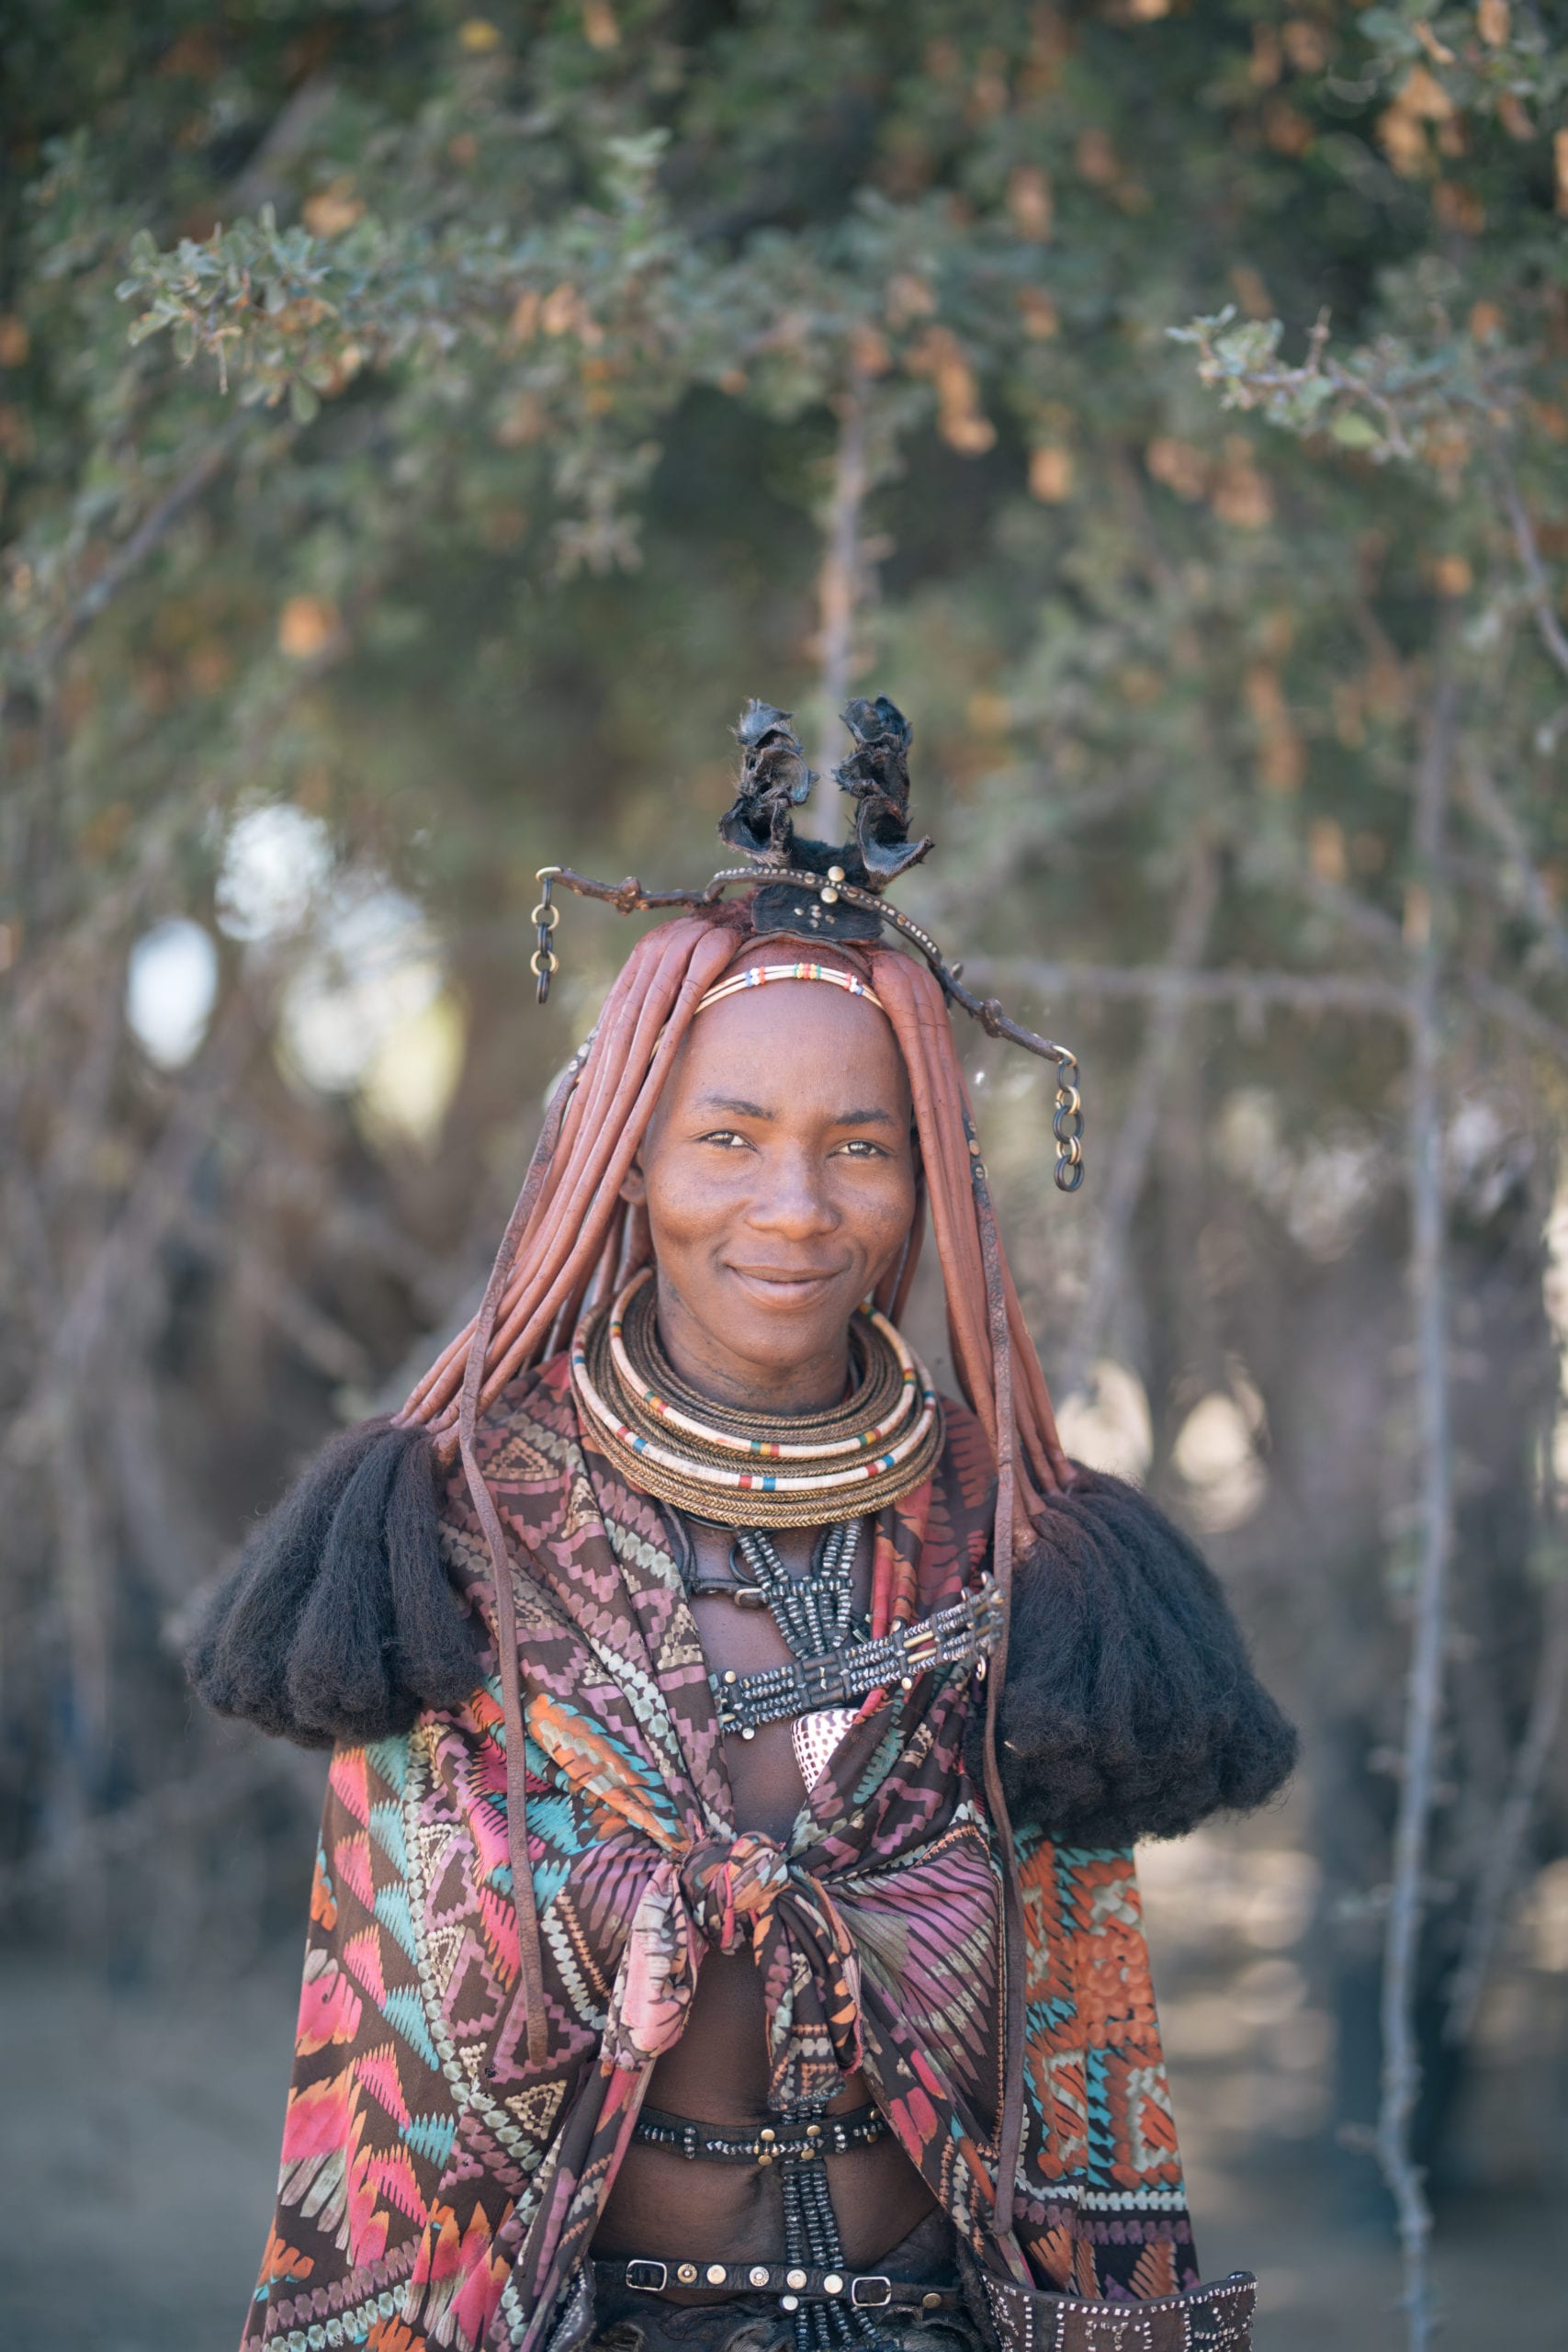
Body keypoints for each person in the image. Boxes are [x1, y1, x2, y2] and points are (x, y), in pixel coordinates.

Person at [191, 699, 1292, 2352]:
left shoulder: (1015, 1543)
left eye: (862, 1146)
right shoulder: (467, 1522)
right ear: (625, 1162)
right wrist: (638, 1909)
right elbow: (396, 2018)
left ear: (929, 1183)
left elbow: (1081, 2046)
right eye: (728, 1139)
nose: (794, 1209)